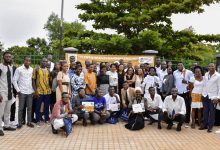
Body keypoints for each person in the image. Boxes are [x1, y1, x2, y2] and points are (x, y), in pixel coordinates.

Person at [13, 56, 34, 129]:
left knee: (29, 108)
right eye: (26, 60)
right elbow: (14, 80)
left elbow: (32, 80)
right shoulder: (19, 69)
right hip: (22, 92)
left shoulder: (31, 69)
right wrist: (18, 90)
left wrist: (33, 91)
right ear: (24, 60)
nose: (28, 62)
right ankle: (19, 123)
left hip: (30, 91)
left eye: (29, 61)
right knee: (21, 108)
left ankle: (29, 122)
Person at [200, 63, 220, 132]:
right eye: (209, 66)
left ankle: (210, 127)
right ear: (208, 67)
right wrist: (202, 93)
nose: (210, 67)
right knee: (205, 112)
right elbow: (204, 85)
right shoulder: (206, 74)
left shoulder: (218, 76)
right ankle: (204, 125)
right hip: (205, 95)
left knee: (212, 113)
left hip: (213, 97)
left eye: (212, 66)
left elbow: (219, 87)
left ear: (215, 67)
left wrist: (218, 97)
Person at [0, 52, 16, 136]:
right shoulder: (0, 67)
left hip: (10, 92)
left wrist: (13, 92)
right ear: (3, 57)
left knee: (7, 111)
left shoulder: (10, 67)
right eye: (7, 56)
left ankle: (6, 125)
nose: (8, 58)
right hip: (2, 92)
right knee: (0, 111)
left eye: (10, 56)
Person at [32, 58, 51, 127]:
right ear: (41, 62)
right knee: (38, 107)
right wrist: (35, 91)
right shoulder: (36, 69)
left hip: (47, 92)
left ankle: (47, 119)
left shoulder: (48, 70)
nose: (45, 62)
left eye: (46, 61)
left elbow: (49, 80)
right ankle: (37, 120)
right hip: (39, 91)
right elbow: (33, 80)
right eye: (43, 61)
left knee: (46, 106)